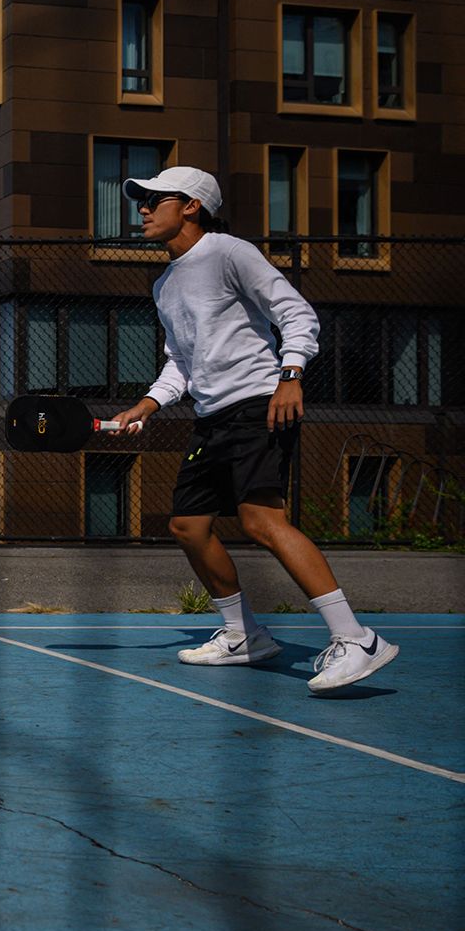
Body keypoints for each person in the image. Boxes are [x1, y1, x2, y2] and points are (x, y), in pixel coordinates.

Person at [107, 167, 398, 693]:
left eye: (154, 199)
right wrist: (146, 404)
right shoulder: (164, 284)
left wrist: (291, 375)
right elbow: (181, 360)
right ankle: (244, 635)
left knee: (261, 521)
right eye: (140, 200)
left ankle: (357, 639)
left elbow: (295, 312)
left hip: (259, 403)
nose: (143, 208)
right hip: (211, 416)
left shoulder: (228, 252)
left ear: (191, 206)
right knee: (187, 526)